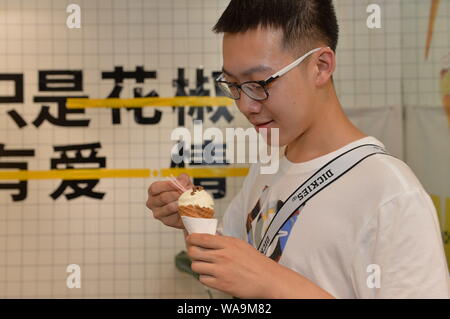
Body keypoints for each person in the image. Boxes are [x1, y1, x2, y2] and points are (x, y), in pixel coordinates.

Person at [147, 0, 450, 298]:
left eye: (258, 83)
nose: (246, 105)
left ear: (321, 66)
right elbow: (232, 265)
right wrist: (191, 219)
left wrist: (273, 282)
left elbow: (258, 275)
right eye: (233, 85)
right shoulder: (269, 165)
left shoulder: (391, 195)